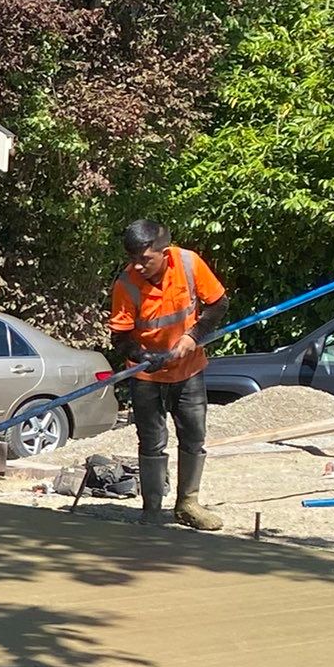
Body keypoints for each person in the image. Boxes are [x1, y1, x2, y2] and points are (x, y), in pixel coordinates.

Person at [108, 220, 228, 530]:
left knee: (193, 436)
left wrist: (193, 336)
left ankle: (188, 504)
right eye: (132, 258)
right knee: (151, 441)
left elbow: (218, 304)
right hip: (147, 378)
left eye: (145, 258)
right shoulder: (127, 283)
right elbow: (120, 338)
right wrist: (141, 356)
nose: (137, 265)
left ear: (165, 252)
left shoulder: (189, 263)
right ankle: (152, 509)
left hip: (189, 371)